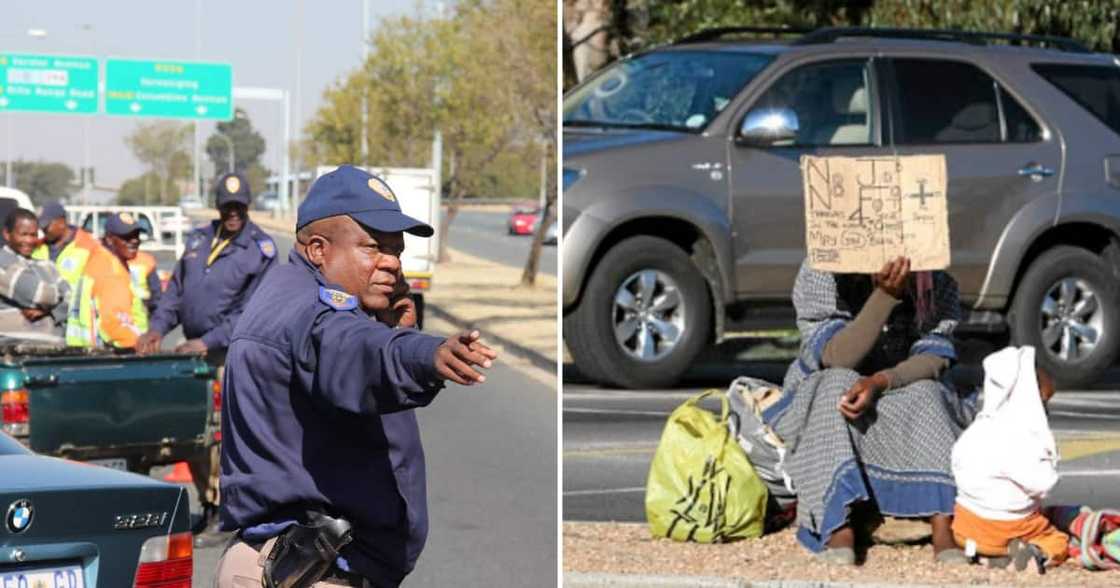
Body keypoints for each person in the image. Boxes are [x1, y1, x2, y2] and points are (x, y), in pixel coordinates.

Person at [215, 165, 498, 587]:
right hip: (308, 574)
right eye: (373, 247)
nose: (391, 264)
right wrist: (422, 353)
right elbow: (352, 350)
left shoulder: (298, 294)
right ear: (317, 249)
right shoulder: (312, 314)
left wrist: (390, 331)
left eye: (396, 251)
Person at [764, 256, 974, 565]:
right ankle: (839, 524)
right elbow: (837, 356)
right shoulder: (822, 271)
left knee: (929, 393)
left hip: (899, 387)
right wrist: (885, 296)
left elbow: (933, 357)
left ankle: (943, 523)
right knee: (835, 385)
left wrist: (881, 381)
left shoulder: (935, 281)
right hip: (830, 389)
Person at [136, 172, 277, 537]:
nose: (233, 214)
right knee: (194, 433)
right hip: (193, 353)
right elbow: (175, 293)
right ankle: (208, 503)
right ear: (218, 205)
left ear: (247, 207)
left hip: (230, 356)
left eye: (239, 207)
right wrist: (156, 329)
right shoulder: (200, 238)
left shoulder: (260, 249)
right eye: (227, 207)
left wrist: (208, 341)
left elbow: (253, 312)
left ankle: (228, 511)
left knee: (221, 435)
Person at [951, 346, 1067, 571]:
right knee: (1057, 540)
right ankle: (1035, 554)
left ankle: (991, 556)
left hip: (965, 530)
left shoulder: (977, 429)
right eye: (1043, 402)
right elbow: (1045, 483)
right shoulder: (1018, 436)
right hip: (1007, 527)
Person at [69, 212, 147, 349]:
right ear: (110, 239)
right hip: (106, 355)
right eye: (126, 237)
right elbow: (114, 324)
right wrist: (142, 345)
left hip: (85, 352)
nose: (134, 240)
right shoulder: (110, 270)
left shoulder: (103, 259)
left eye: (136, 235)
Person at [32, 201, 100, 344]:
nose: (43, 230)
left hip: (79, 329)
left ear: (61, 222)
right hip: (46, 328)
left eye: (47, 226)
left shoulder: (90, 247)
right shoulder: (37, 248)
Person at [0, 207, 69, 337]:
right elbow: (39, 295)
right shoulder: (2, 262)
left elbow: (72, 298)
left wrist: (48, 311)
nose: (30, 240)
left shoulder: (46, 265)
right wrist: (57, 299)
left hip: (52, 349)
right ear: (7, 234)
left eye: (34, 235)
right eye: (24, 234)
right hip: (10, 351)